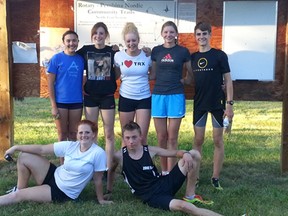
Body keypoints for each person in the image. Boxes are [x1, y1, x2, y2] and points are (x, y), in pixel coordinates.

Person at [107, 121, 221, 216]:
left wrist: (185, 153)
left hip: (164, 183)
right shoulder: (119, 156)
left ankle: (189, 195)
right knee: (183, 206)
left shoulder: (149, 150)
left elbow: (174, 153)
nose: (131, 141)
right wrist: (109, 190)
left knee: (194, 153)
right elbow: (111, 171)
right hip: (152, 196)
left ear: (141, 137)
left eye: (134, 137)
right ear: (123, 138)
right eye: (127, 138)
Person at [1, 120, 112, 206]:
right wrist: (16, 147)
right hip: (54, 175)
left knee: (17, 196)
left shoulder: (98, 153)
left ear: (94, 134)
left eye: (87, 132)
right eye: (81, 132)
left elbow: (97, 179)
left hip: (62, 192)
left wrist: (101, 200)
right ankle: (20, 188)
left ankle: (18, 194)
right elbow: (41, 149)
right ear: (77, 134)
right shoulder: (71, 146)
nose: (83, 135)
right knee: (24, 156)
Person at [191, 22, 234, 190]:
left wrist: (230, 104)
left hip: (217, 103)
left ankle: (215, 178)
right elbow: (189, 78)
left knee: (218, 140)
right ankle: (195, 176)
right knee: (198, 140)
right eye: (198, 34)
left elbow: (228, 80)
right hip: (200, 103)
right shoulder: (193, 58)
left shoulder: (219, 55)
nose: (201, 37)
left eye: (204, 34)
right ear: (195, 37)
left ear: (210, 35)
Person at [77, 22, 118, 193]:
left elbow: (126, 60)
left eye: (101, 33)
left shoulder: (112, 51)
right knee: (91, 133)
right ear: (92, 35)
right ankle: (90, 166)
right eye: (95, 33)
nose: (98, 36)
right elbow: (70, 53)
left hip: (107, 95)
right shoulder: (85, 50)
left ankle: (107, 169)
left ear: (106, 35)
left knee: (109, 133)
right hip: (91, 96)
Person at [150, 21, 193, 175]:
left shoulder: (183, 51)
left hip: (175, 95)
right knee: (161, 137)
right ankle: (164, 172)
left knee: (172, 137)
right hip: (158, 95)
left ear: (176, 34)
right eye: (166, 32)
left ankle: (173, 173)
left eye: (171, 32)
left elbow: (190, 71)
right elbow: (153, 74)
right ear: (162, 34)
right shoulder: (156, 51)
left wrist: (186, 81)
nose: (168, 35)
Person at [47, 30, 84, 164]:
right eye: (68, 41)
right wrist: (53, 106)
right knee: (62, 134)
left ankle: (72, 162)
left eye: (74, 40)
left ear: (78, 42)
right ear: (64, 42)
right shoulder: (56, 59)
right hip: (60, 103)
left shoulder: (80, 59)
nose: (71, 43)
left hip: (77, 102)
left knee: (74, 134)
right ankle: (63, 164)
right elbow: (50, 83)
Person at [114, 22, 152, 146]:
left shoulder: (147, 55)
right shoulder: (118, 56)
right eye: (128, 41)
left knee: (141, 137)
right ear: (125, 42)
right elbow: (116, 75)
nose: (131, 44)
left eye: (134, 40)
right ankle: (126, 165)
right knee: (126, 138)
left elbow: (153, 74)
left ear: (138, 40)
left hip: (144, 98)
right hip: (126, 97)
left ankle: (142, 165)